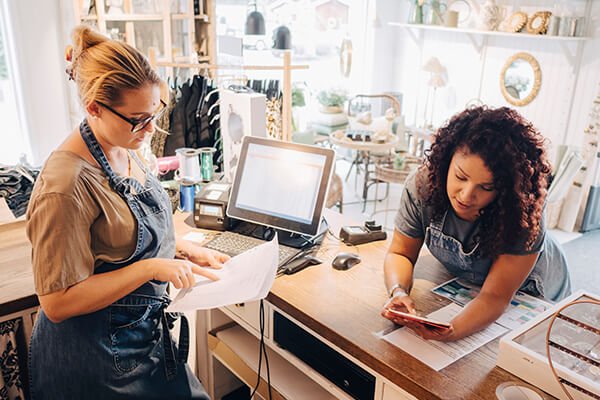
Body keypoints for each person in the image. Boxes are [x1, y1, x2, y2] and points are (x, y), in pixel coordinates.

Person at [26, 25, 229, 399]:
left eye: (155, 113)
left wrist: (179, 248)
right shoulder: (65, 185)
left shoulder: (122, 143)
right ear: (94, 108)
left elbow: (117, 237)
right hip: (94, 361)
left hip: (140, 339)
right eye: (139, 119)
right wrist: (151, 268)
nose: (150, 129)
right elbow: (56, 302)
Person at [381, 106, 571, 342]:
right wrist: (398, 291)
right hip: (473, 286)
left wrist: (453, 329)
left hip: (536, 291)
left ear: (505, 190)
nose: (466, 195)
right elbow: (401, 253)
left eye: (486, 187)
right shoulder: (422, 187)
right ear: (446, 160)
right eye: (460, 176)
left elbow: (495, 296)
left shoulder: (521, 212)